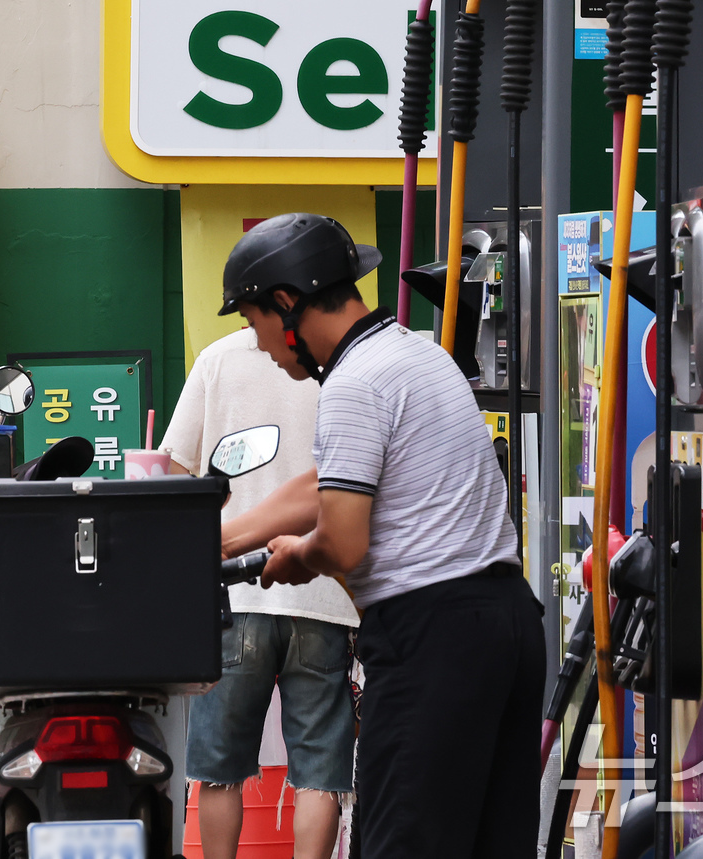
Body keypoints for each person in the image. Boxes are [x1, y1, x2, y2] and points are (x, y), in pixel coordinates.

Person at [218, 213, 547, 858]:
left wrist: (296, 559)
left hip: (433, 638)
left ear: (286, 303)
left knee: (403, 843)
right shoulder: (415, 354)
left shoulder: (352, 383)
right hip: (507, 625)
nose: (258, 343)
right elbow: (326, 484)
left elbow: (342, 543)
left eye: (253, 320)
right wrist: (223, 538)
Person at [160, 325, 361, 859]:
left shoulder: (216, 359)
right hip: (323, 592)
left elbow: (175, 471)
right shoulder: (340, 362)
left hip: (234, 594)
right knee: (320, 768)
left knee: (219, 768)